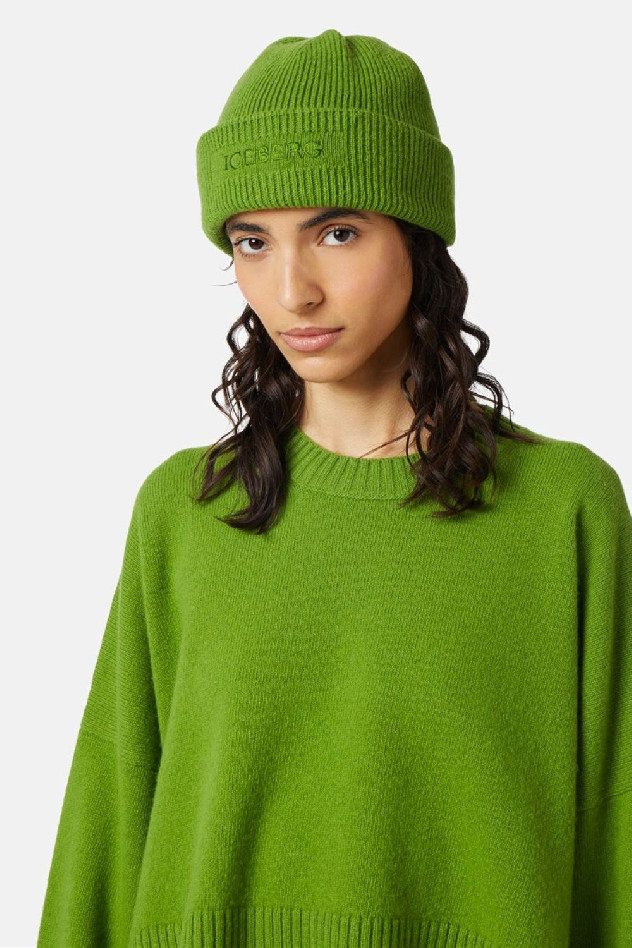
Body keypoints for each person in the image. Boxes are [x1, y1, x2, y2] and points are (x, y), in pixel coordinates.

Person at [37, 29, 631, 948]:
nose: (292, 291)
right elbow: (109, 820)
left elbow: (617, 840)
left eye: (337, 232)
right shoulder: (185, 513)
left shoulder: (563, 509)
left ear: (418, 237)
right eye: (252, 242)